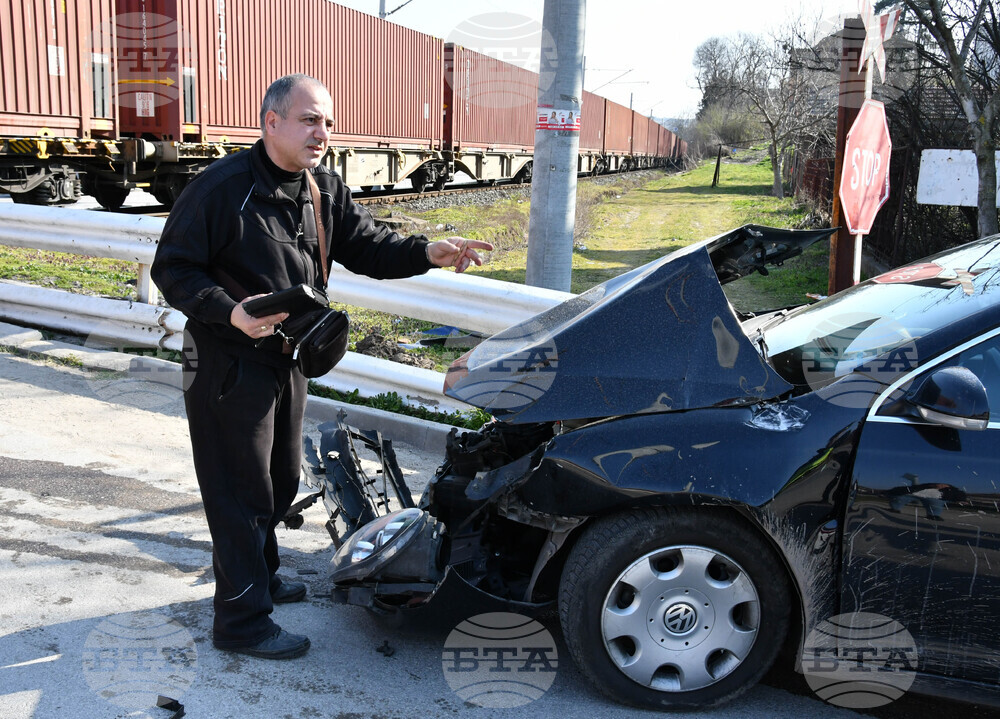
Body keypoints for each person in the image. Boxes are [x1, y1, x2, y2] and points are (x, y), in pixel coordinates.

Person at [151, 74, 492, 660]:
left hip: (289, 357)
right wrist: (230, 313)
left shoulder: (322, 189)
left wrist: (427, 252)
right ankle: (240, 623)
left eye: (328, 122)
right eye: (309, 119)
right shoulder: (221, 188)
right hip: (225, 359)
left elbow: (369, 246)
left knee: (280, 480)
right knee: (239, 492)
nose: (322, 132)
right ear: (271, 122)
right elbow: (173, 268)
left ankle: (261, 578)